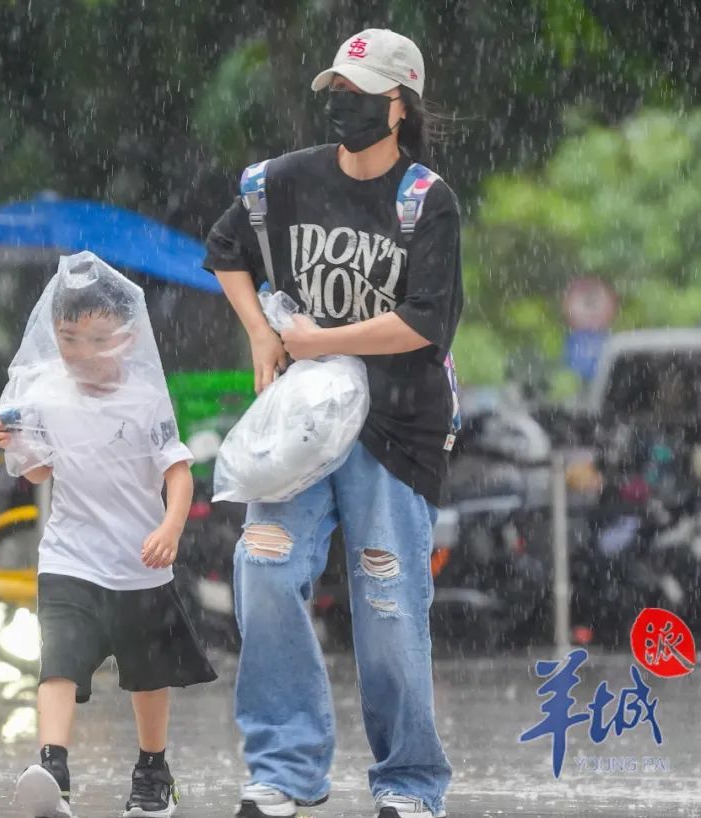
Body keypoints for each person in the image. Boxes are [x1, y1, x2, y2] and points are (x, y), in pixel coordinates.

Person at [202, 29, 462, 818]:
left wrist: (320, 340)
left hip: (398, 425)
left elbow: (425, 323)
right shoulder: (282, 182)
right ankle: (285, 769)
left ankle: (410, 785)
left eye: (360, 96)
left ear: (399, 105)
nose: (342, 108)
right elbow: (224, 248)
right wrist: (259, 332)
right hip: (306, 426)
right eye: (335, 94)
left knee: (386, 603)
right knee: (266, 571)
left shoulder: (427, 200)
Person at [0, 251, 217, 818]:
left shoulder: (145, 398)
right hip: (69, 558)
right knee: (58, 662)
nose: (81, 354)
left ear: (127, 338)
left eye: (97, 340)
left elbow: (179, 472)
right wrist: (12, 444)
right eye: (68, 339)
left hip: (139, 561)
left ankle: (152, 771)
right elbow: (41, 470)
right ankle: (52, 769)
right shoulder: (43, 391)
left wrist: (170, 526)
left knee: (146, 676)